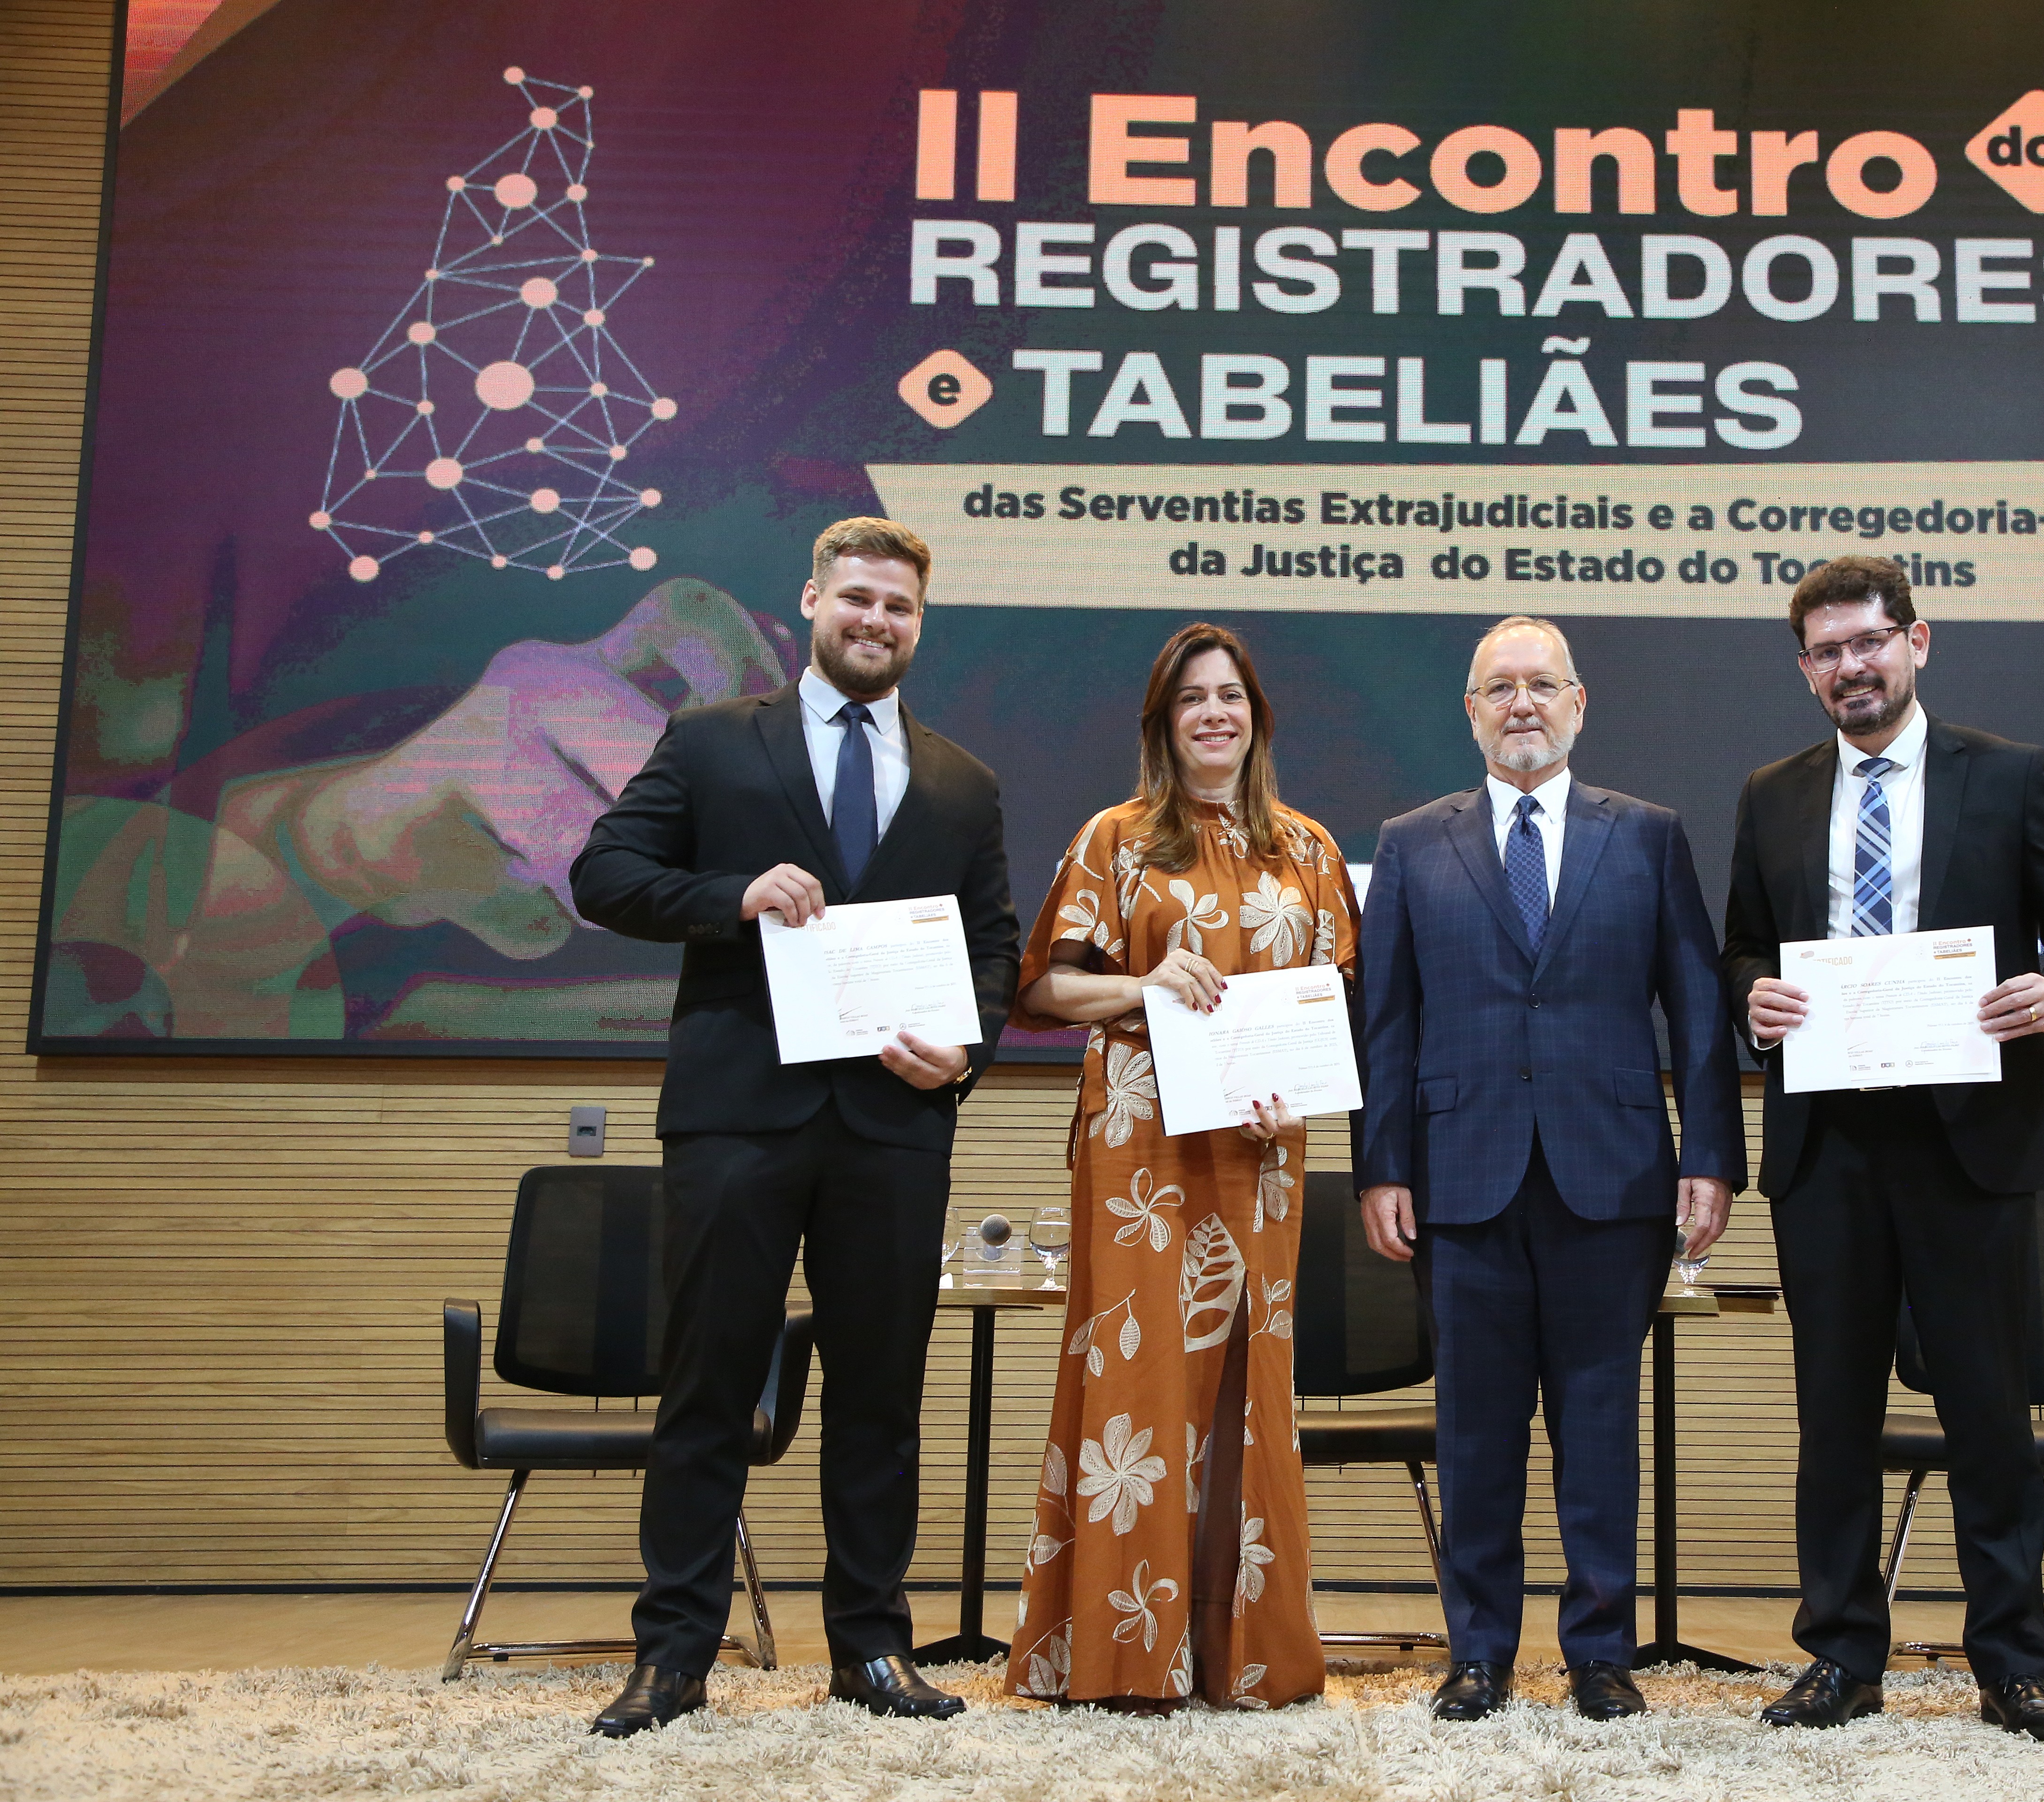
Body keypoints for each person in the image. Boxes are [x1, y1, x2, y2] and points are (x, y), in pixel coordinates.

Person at [568, 517, 1021, 1735]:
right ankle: (674, 1657)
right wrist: (735, 895)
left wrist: (966, 1053)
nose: (878, 620)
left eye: (901, 607)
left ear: (920, 624)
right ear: (814, 600)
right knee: (707, 1388)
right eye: (858, 597)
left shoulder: (964, 781)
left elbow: (993, 949)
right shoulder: (713, 740)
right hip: (738, 1118)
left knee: (881, 1400)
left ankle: (871, 1649)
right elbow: (604, 875)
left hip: (894, 1128)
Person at [1721, 554, 2044, 1744]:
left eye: (1868, 643)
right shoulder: (1771, 793)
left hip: (1972, 1146)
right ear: (1806, 670)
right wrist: (1751, 997)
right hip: (1828, 1149)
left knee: (1990, 1415)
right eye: (1826, 653)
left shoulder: (2006, 774)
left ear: (1917, 641)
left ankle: (2013, 1665)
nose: (1851, 667)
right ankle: (1841, 1658)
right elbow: (1743, 948)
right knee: (1834, 1418)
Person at [1354, 615, 1745, 1724]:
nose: (1521, 703)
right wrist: (1381, 1166)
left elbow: (1697, 1007)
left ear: (1579, 703)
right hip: (1459, 1178)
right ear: (1470, 712)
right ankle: (1479, 1652)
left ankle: (1601, 1654)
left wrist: (1710, 1155)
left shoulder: (1649, 835)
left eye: (1542, 684)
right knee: (1475, 1432)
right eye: (1500, 687)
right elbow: (1386, 1021)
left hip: (1612, 1179)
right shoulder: (1412, 842)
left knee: (1600, 1427)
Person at [1004, 622, 1359, 1712]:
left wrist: (1299, 1083)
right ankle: (1123, 1656)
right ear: (1163, 723)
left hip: (1262, 1146)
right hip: (1142, 1150)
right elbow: (1043, 989)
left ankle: (1241, 1655)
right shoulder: (1116, 839)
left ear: (1257, 717)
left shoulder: (1311, 851)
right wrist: (1145, 985)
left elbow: (1339, 1001)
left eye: (1231, 697)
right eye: (1192, 698)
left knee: (1250, 1387)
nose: (1214, 713)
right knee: (1140, 1386)